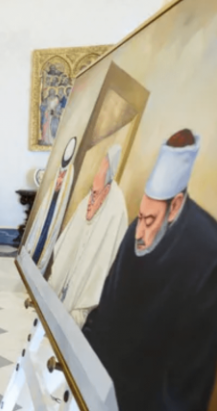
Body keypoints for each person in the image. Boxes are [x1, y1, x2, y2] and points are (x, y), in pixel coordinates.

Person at [83, 129, 217, 410]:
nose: (140, 234)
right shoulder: (136, 230)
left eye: (150, 221)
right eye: (141, 217)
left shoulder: (208, 251)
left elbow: (188, 378)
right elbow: (108, 309)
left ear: (175, 206)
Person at [47, 144, 128, 327]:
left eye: (96, 194)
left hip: (91, 267)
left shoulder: (117, 206)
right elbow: (72, 234)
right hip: (71, 268)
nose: (91, 200)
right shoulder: (89, 197)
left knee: (83, 293)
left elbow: (110, 250)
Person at [23, 136, 77, 274]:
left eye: (62, 178)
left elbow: (65, 189)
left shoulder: (70, 171)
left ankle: (39, 264)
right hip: (49, 207)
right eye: (59, 177)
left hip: (56, 210)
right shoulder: (58, 169)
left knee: (47, 236)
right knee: (40, 232)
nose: (59, 181)